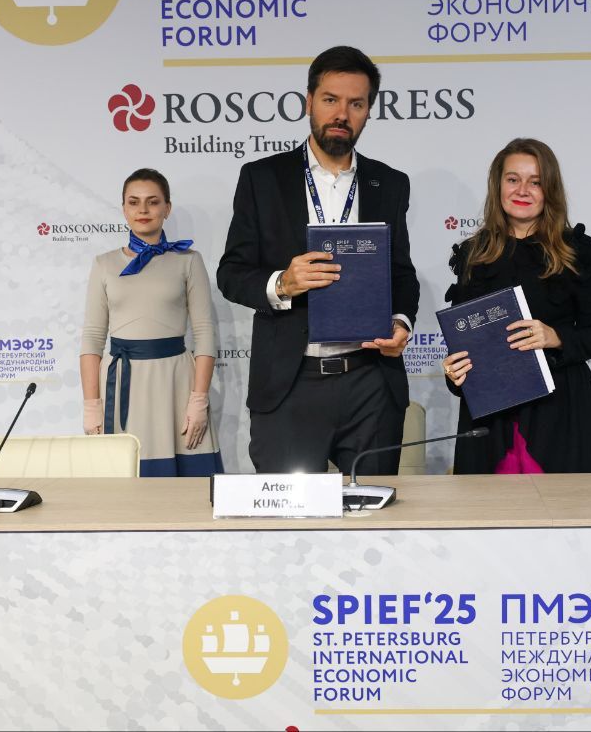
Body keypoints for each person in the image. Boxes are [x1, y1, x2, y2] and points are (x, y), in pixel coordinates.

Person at [217, 46, 419, 474]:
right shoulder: (262, 178)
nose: (342, 114)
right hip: (290, 383)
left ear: (369, 111)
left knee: (371, 509)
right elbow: (232, 274)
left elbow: (401, 274)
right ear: (309, 102)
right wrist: (282, 283)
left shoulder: (390, 183)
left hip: (370, 382)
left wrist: (401, 323)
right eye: (331, 100)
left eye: (356, 104)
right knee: (290, 514)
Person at [440, 138, 591, 473]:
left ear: (549, 189)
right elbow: (463, 342)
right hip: (492, 418)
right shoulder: (474, 254)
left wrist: (555, 336)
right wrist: (454, 373)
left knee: (562, 505)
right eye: (513, 179)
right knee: (488, 505)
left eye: (535, 182)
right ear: (498, 186)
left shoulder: (576, 251)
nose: (522, 190)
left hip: (559, 411)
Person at [79, 168, 220, 476]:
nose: (143, 210)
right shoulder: (103, 264)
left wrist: (199, 399)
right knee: (122, 484)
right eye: (134, 202)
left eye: (153, 202)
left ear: (167, 208)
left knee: (189, 486)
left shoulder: (189, 260)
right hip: (121, 383)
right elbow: (92, 337)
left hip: (176, 383)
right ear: (124, 209)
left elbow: (204, 332)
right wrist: (92, 405)